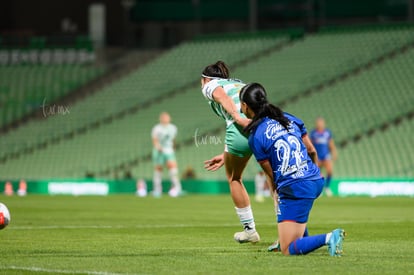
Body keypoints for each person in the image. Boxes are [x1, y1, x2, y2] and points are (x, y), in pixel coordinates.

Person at [239, 82, 345, 256]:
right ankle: (290, 237)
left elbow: (270, 172)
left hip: (296, 186)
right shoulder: (288, 117)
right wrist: (313, 173)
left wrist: (275, 194)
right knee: (294, 218)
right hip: (314, 179)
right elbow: (311, 150)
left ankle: (329, 237)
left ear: (245, 106)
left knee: (288, 249)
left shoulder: (255, 136)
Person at [201, 61, 260, 244]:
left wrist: (237, 118)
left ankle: (250, 230)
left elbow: (222, 97)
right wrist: (225, 154)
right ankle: (289, 233)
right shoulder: (238, 83)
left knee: (235, 178)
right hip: (262, 124)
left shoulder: (210, 85)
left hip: (240, 127)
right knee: (273, 181)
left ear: (205, 79)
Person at [151, 112, 182, 197]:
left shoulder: (173, 128)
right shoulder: (156, 128)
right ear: (160, 119)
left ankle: (177, 189)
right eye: (163, 118)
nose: (165, 119)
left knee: (173, 170)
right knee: (158, 170)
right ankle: (157, 191)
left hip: (169, 151)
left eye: (166, 117)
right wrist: (158, 147)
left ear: (169, 119)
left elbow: (173, 140)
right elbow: (154, 140)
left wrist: (173, 148)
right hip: (159, 151)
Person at [310, 117, 338, 197]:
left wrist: (334, 152)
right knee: (318, 174)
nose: (320, 124)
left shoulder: (327, 133)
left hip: (326, 156)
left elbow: (331, 144)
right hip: (317, 156)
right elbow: (310, 144)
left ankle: (327, 188)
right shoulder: (313, 133)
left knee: (330, 171)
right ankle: (319, 190)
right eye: (318, 122)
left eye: (321, 122)